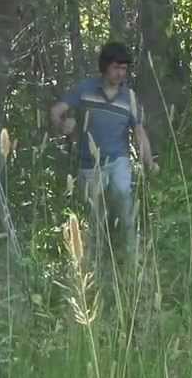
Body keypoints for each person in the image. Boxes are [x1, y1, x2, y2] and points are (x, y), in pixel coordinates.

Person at [50, 41, 154, 271]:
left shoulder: (130, 98)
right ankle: (92, 266)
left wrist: (150, 162)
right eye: (116, 67)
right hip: (89, 163)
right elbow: (56, 111)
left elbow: (139, 131)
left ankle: (132, 262)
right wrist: (62, 125)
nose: (120, 73)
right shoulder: (85, 90)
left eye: (124, 69)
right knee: (93, 219)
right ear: (105, 66)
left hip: (118, 160)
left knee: (124, 202)